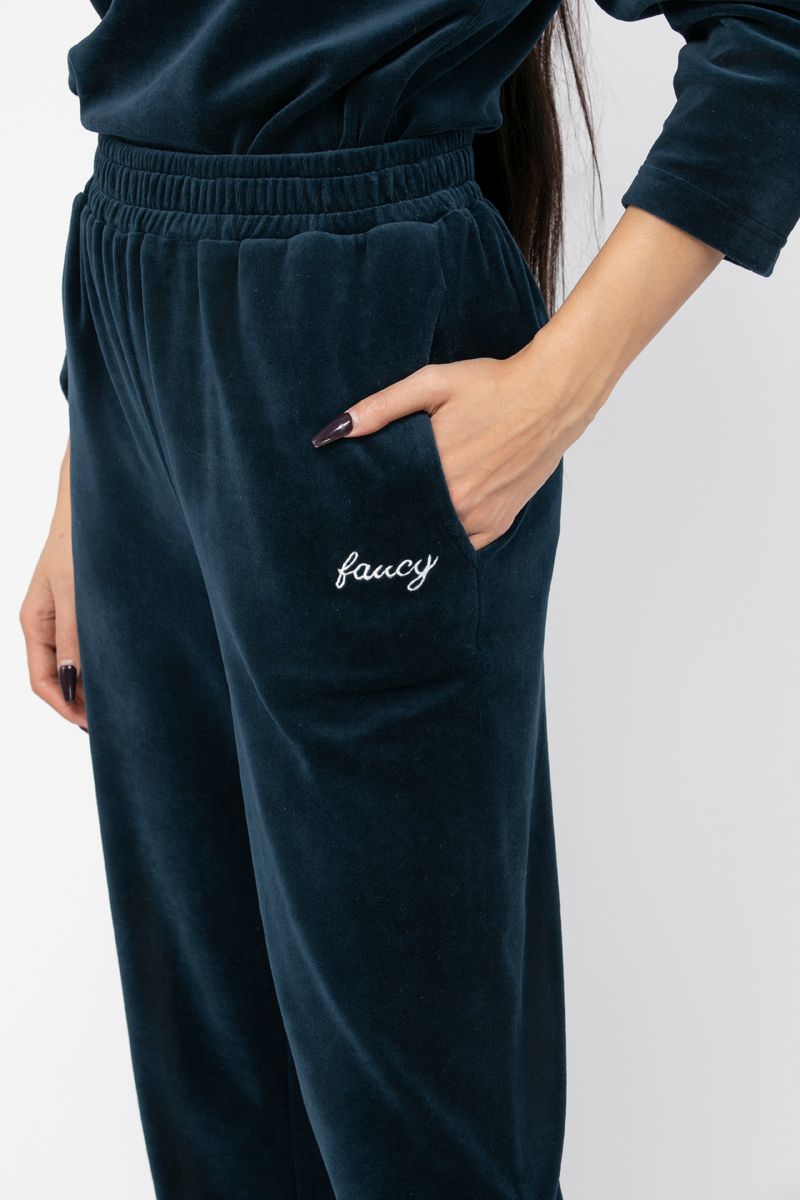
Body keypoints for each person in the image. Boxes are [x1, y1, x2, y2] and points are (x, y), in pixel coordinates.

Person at [20, 1, 800, 1197]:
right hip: (133, 321)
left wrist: (555, 391)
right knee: (216, 1095)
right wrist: (93, 465)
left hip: (351, 328)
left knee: (415, 1128)